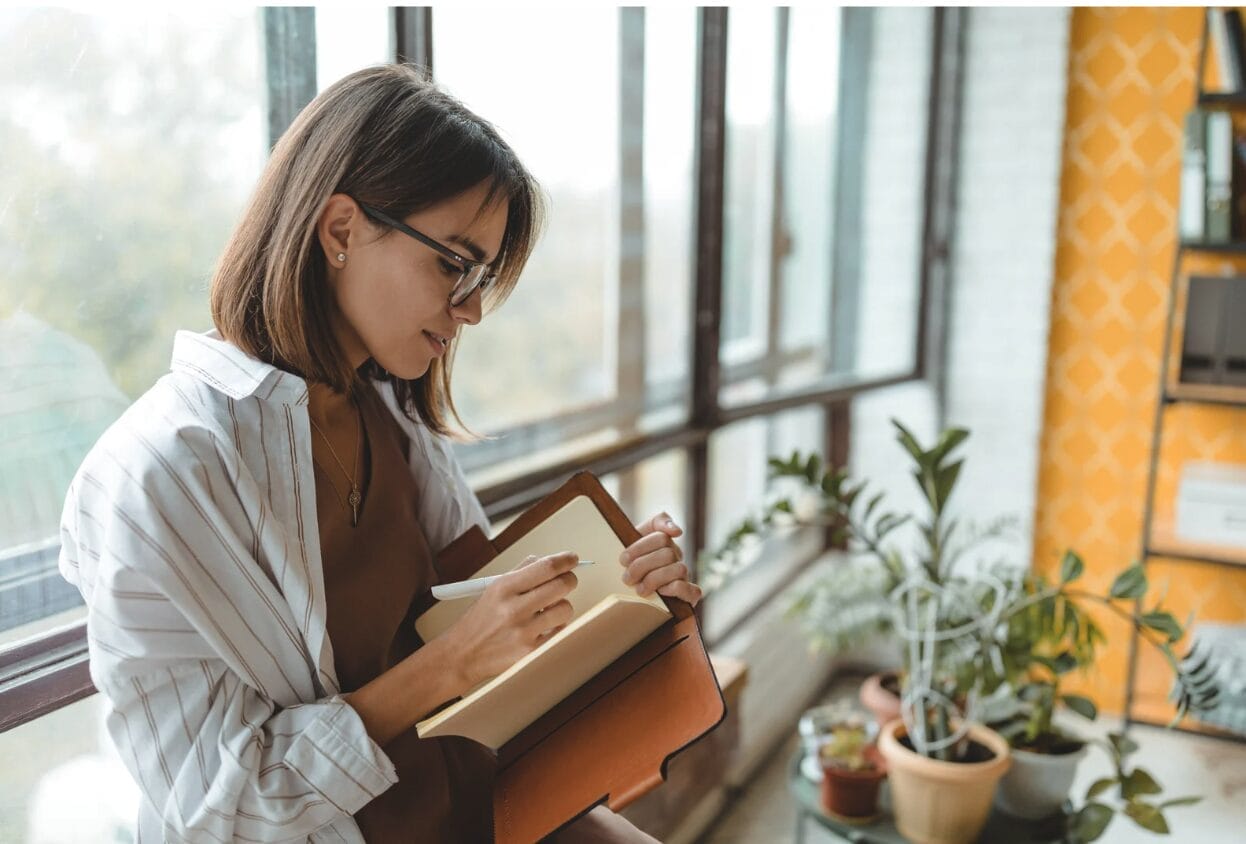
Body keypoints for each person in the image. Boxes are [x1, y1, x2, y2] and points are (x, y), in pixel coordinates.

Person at [57, 63, 702, 843]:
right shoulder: (158, 476)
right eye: (454, 263)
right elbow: (214, 812)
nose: (469, 311)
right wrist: (448, 669)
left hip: (485, 804)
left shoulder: (390, 415)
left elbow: (490, 618)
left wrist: (626, 592)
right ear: (340, 230)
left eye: (482, 278)